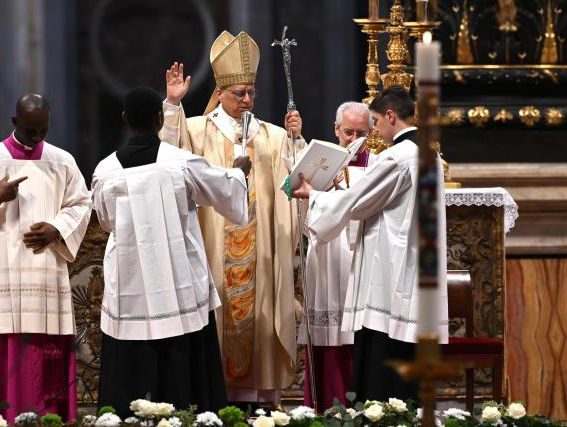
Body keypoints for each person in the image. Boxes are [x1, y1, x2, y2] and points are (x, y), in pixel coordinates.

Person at [160, 31, 304, 404]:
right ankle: (213, 397)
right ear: (220, 93)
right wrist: (174, 105)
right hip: (212, 251)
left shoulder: (271, 136)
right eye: (239, 93)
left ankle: (258, 400)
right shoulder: (196, 130)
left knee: (259, 318)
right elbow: (165, 156)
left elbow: (298, 181)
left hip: (261, 254)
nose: (247, 100)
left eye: (251, 92)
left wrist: (296, 141)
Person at [92, 86, 252, 416]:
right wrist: (239, 172)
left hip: (130, 282)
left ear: (124, 119)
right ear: (158, 118)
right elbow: (223, 190)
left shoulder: (105, 171)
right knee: (183, 359)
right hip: (178, 283)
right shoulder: (181, 163)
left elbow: (106, 222)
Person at [291, 86, 448, 403]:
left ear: (391, 116)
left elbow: (358, 202)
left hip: (388, 273)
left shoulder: (398, 157)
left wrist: (314, 196)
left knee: (382, 370)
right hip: (415, 268)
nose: (375, 130)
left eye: (375, 121)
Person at [0, 94, 92, 422]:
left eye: (43, 130)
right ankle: (2, 418)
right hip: (3, 269)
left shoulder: (62, 161)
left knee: (48, 351)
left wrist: (57, 229)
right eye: (30, 131)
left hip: (45, 272)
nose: (37, 138)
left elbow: (82, 204)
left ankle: (53, 417)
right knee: (7, 345)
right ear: (15, 123)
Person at [299, 102, 375, 411]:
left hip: (361, 254)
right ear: (335, 130)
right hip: (327, 255)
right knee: (327, 333)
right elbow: (305, 216)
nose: (354, 138)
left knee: (357, 337)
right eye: (348, 132)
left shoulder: (380, 164)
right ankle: (324, 405)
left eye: (361, 133)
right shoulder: (321, 162)